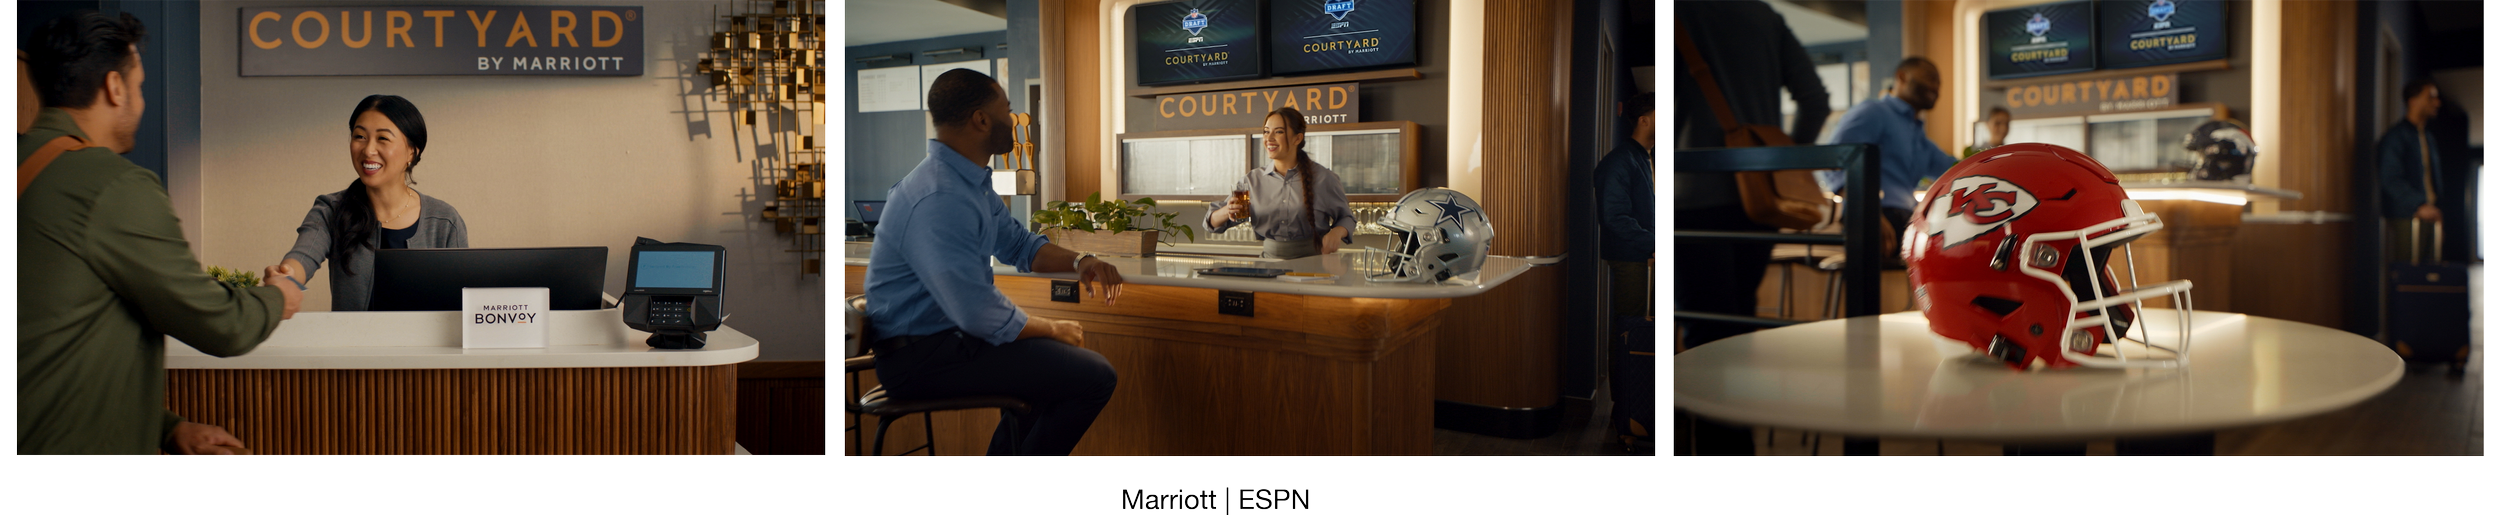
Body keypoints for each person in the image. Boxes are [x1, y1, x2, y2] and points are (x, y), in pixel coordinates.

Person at [19, 10, 302, 454]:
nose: (141, 101)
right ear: (115, 87)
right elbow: (223, 325)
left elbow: (49, 351)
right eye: (139, 86)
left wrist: (167, 427)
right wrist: (278, 298)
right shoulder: (113, 185)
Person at [864, 68, 1125, 456]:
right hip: (921, 359)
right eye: (1008, 109)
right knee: (1094, 376)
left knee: (1058, 374)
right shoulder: (939, 195)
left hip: (947, 345)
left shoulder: (967, 182)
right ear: (981, 119)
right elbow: (975, 310)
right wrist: (1050, 329)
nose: (1015, 119)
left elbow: (1020, 245)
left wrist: (1081, 261)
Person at [1670, 0, 1829, 457]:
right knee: (1735, 330)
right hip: (1759, 198)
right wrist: (1785, 160)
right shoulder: (1765, 16)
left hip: (1693, 196)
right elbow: (1815, 99)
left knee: (1703, 334)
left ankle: (1722, 455)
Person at [274, 95, 469, 311]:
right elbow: (303, 257)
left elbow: (461, 304)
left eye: (383, 139)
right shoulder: (331, 209)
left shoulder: (444, 221)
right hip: (354, 343)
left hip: (424, 345)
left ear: (412, 152)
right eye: (360, 136)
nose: (368, 150)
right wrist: (286, 277)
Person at [1823, 56, 1958, 247]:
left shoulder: (1918, 135)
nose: (1936, 87)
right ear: (1902, 77)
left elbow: (1956, 168)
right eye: (1930, 78)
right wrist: (1868, 212)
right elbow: (1833, 159)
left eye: (1939, 82)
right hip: (1874, 216)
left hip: (1906, 220)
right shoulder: (1874, 112)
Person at [1203, 106, 1355, 259]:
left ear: (1298, 138)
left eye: (1279, 132)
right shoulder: (1252, 181)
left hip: (1313, 265)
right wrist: (1226, 210)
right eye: (1266, 131)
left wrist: (1336, 232)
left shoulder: (1324, 178)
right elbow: (1210, 223)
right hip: (1269, 268)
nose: (1269, 138)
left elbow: (1347, 218)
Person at [1597, 92, 1655, 319]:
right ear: (1644, 120)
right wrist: (1655, 242)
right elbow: (1615, 216)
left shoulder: (1643, 156)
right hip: (1628, 256)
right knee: (1630, 326)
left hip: (1642, 251)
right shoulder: (1620, 161)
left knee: (1640, 323)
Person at [2377, 78, 2444, 263]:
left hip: (2429, 215)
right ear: (2413, 101)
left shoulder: (2427, 137)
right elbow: (2389, 177)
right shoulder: (2395, 137)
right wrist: (2418, 204)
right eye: (2431, 97)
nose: (2437, 103)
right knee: (2408, 277)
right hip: (2407, 217)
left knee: (2430, 274)